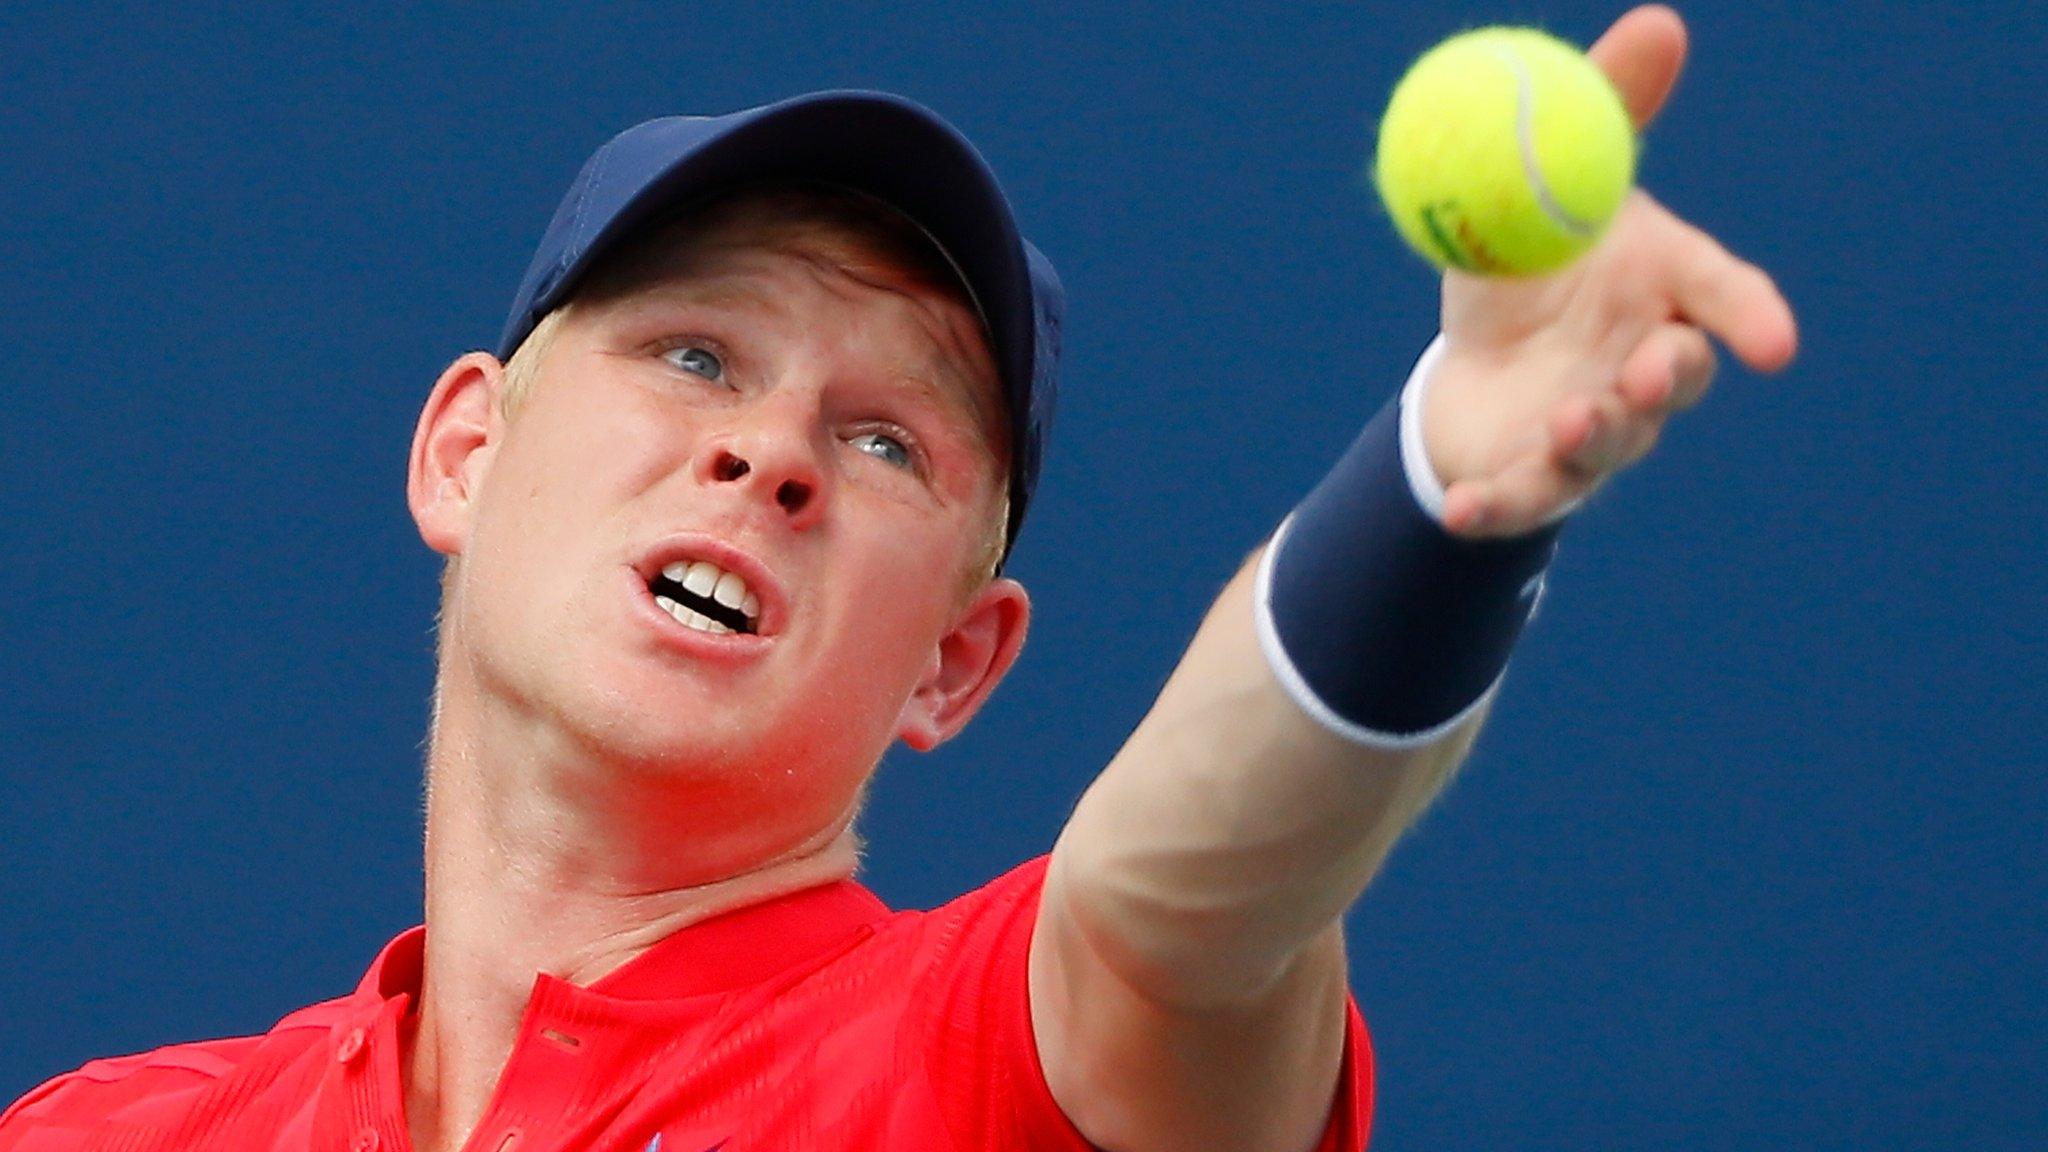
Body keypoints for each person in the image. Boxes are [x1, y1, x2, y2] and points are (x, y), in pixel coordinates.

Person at [0, 7, 1795, 1152]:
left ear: (958, 662)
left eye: (887, 446)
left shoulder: (991, 1062)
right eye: (697, 356)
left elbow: (1187, 904)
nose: (773, 453)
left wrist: (1437, 499)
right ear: (465, 450)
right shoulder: (104, 1136)